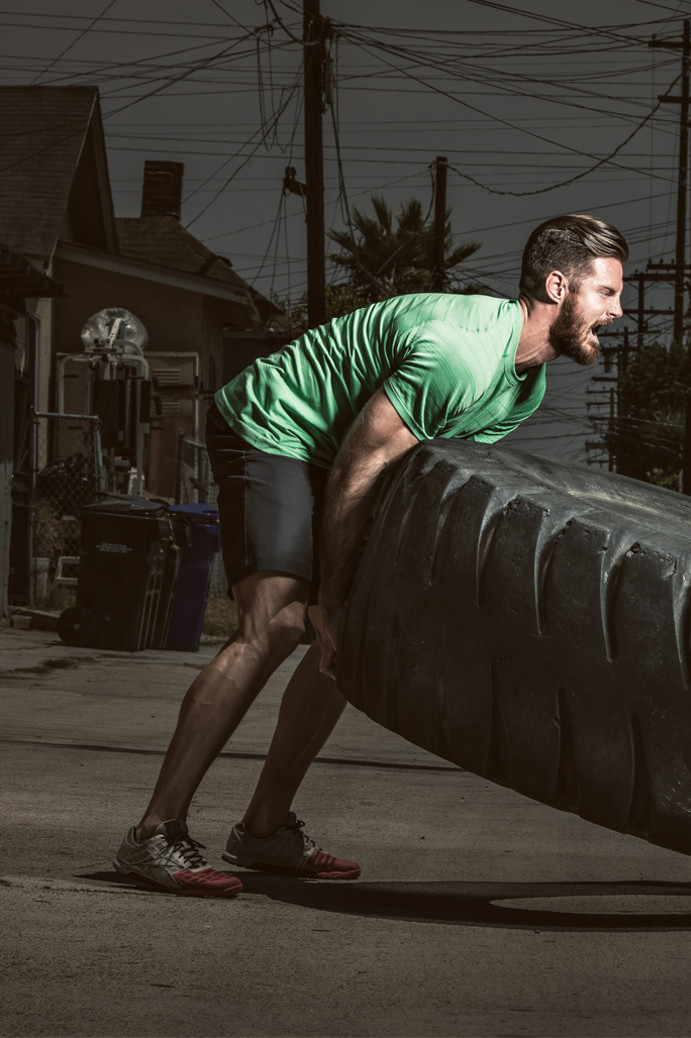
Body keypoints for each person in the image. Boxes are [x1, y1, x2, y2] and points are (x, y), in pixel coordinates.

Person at [114, 213, 628, 897]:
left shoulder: (522, 384)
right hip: (277, 423)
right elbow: (358, 468)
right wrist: (325, 599)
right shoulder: (461, 352)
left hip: (339, 458)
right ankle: (154, 834)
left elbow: (413, 479)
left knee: (345, 645)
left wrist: (355, 601)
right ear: (558, 286)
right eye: (607, 293)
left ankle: (264, 829)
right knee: (280, 623)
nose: (618, 312)